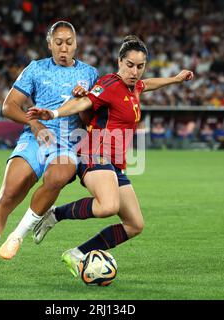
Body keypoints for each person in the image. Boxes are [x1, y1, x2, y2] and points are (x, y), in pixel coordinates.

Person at [27, 35, 193, 277]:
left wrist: (175, 80)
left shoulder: (135, 86)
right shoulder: (109, 84)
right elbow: (82, 103)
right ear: (119, 62)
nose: (134, 71)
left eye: (140, 66)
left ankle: (77, 253)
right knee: (109, 205)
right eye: (129, 65)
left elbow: (149, 83)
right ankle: (55, 214)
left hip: (115, 164)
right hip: (94, 153)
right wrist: (52, 114)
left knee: (135, 225)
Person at [0, 21, 98, 280]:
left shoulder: (90, 74)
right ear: (49, 44)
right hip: (35, 138)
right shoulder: (36, 69)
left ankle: (18, 235)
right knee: (8, 195)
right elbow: (9, 106)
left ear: (76, 44)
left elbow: (91, 120)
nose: (64, 48)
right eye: (58, 42)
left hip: (69, 141)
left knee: (59, 176)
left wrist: (84, 102)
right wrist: (34, 124)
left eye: (69, 42)